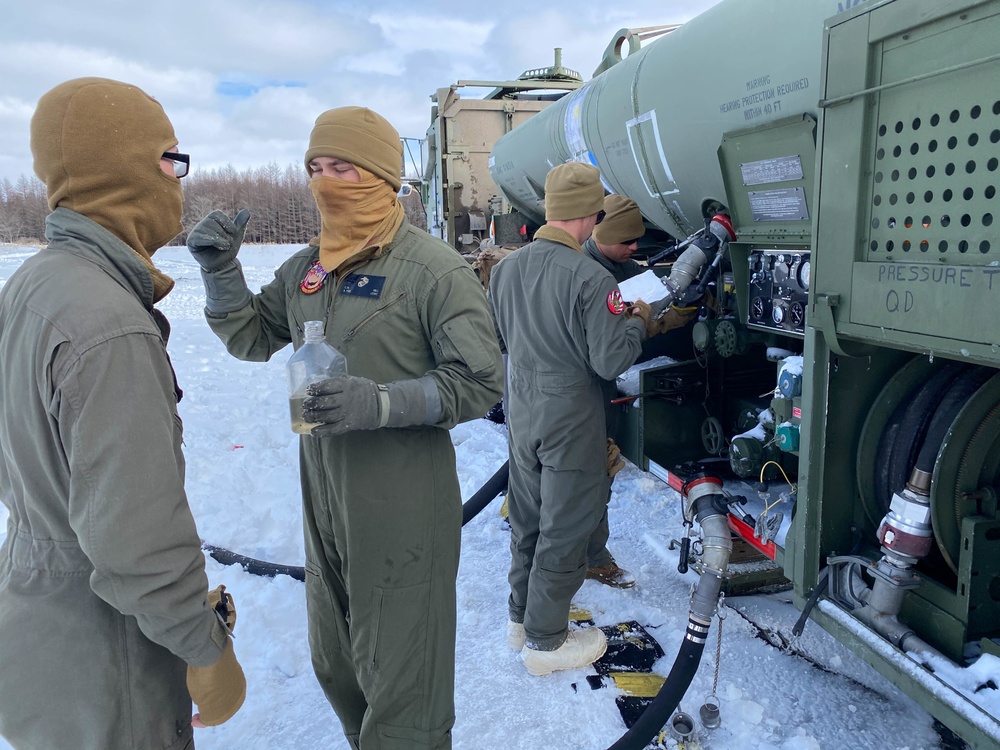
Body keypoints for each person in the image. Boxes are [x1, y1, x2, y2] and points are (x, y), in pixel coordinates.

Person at [186, 106, 504, 750]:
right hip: (324, 491)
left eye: (344, 168)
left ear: (382, 178)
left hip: (403, 497)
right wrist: (221, 272)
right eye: (315, 168)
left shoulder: (432, 270)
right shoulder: (309, 269)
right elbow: (251, 336)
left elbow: (481, 382)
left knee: (403, 674)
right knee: (337, 658)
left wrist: (380, 403)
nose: (325, 181)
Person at [0, 77, 245, 750]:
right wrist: (205, 649)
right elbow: (134, 540)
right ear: (125, 169)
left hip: (44, 629)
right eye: (172, 159)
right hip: (110, 658)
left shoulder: (35, 286)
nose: (179, 179)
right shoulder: (109, 326)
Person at [488, 162, 652, 676]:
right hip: (569, 417)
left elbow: (504, 338)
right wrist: (638, 324)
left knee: (529, 517)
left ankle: (521, 618)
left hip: (523, 410)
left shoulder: (507, 268)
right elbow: (610, 362)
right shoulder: (590, 277)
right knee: (566, 524)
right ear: (590, 215)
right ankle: (546, 641)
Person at [582, 194, 699, 588]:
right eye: (627, 240)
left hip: (587, 390)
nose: (636, 247)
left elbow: (647, 300)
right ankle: (592, 560)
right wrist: (651, 323)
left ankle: (580, 549)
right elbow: (612, 350)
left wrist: (670, 312)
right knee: (592, 473)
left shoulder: (621, 266)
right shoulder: (586, 275)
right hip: (581, 392)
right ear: (603, 233)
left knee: (576, 473)